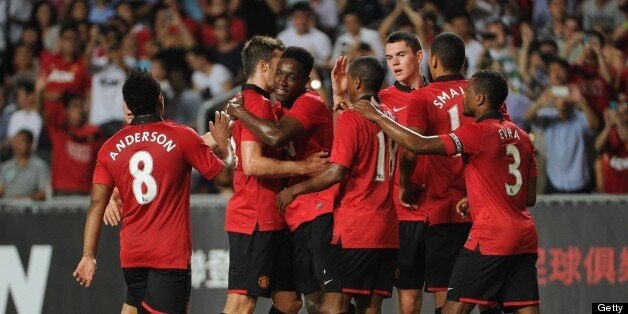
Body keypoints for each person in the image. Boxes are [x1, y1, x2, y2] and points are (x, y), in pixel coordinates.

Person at [345, 69, 540, 314]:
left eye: (468, 92)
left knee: (452, 309)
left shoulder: (477, 132)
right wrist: (478, 196)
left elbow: (419, 144)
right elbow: (528, 197)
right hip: (525, 236)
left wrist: (378, 117)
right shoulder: (522, 136)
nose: (463, 98)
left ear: (480, 99)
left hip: (491, 236)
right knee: (525, 308)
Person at [72, 69, 234, 313]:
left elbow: (97, 203)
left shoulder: (110, 148)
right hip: (168, 255)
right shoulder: (181, 137)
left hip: (132, 256)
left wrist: (88, 255)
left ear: (127, 104)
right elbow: (226, 177)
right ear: (160, 99)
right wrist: (226, 148)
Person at [276, 56, 399, 314]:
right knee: (370, 308)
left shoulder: (352, 118)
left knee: (331, 306)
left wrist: (294, 189)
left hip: (356, 227)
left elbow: (335, 171)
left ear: (355, 81)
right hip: (387, 228)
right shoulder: (389, 117)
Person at [222, 36, 327, 314]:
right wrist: (303, 167)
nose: (282, 77)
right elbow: (254, 164)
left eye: (289, 73)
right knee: (242, 303)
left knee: (288, 302)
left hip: (277, 215)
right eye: (280, 68)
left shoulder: (252, 104)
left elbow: (212, 138)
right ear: (265, 66)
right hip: (256, 215)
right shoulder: (255, 104)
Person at [400, 32, 474, 313]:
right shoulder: (482, 93)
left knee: (446, 291)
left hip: (443, 205)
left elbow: (410, 147)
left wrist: (406, 182)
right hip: (482, 205)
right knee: (487, 293)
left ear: (434, 61)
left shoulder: (423, 98)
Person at [379, 30, 428, 314]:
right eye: (389, 57)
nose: (395, 63)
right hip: (404, 212)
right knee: (409, 302)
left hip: (443, 208)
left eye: (401, 55)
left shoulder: (440, 95)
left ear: (419, 56)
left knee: (449, 296)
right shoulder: (382, 101)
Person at [0, 130, 49, 200]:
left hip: (30, 208)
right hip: (7, 208)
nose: (17, 145)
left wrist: (24, 199)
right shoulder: (6, 166)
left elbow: (45, 193)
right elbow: (1, 189)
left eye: (21, 142)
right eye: (15, 142)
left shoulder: (40, 166)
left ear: (30, 144)